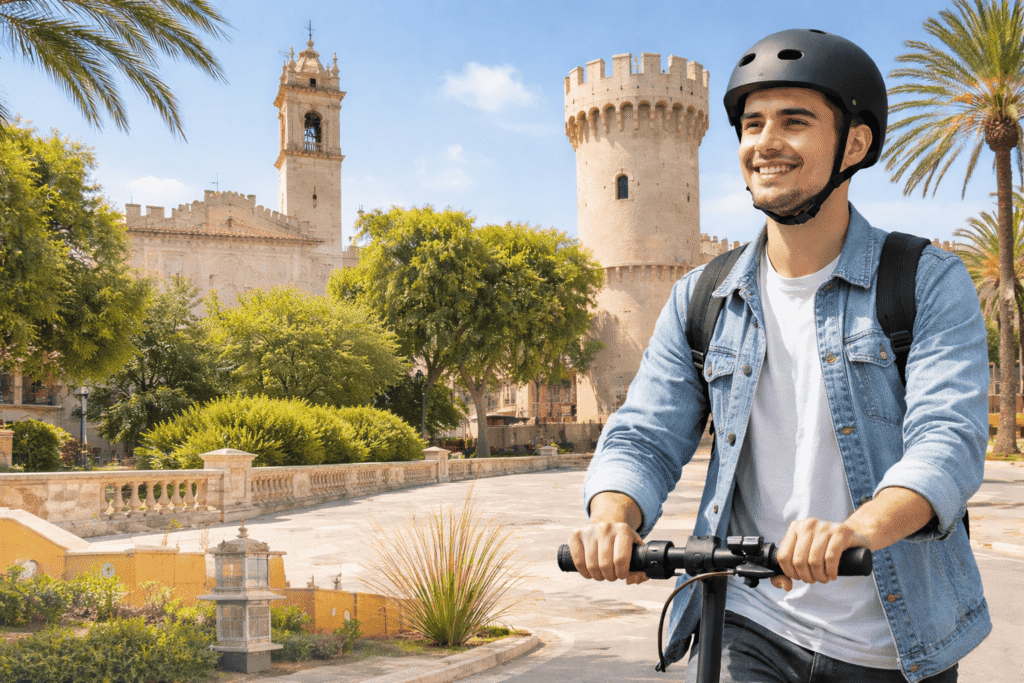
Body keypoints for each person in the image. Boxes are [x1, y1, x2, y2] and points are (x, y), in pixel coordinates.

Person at [568, 29, 991, 683]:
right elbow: (646, 433)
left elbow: (948, 441)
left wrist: (858, 529)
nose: (765, 143)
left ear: (855, 143)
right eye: (752, 123)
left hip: (895, 643)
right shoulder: (702, 297)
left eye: (794, 121)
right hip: (749, 621)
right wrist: (612, 515)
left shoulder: (925, 281)